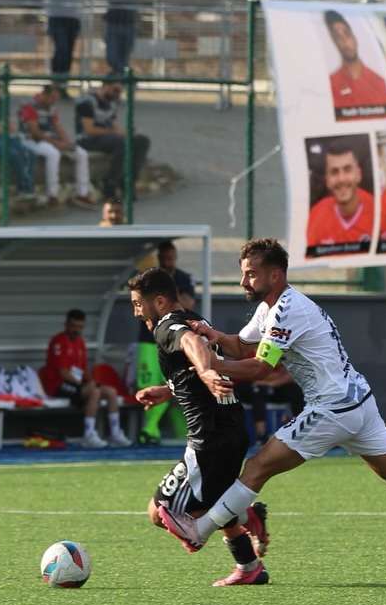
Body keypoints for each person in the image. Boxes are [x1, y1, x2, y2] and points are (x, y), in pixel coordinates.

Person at [156, 238, 386, 570]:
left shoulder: (287, 311)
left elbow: (261, 367)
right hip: (357, 400)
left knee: (258, 467)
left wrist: (210, 366)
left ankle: (199, 531)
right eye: (244, 273)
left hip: (333, 409)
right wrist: (216, 338)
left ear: (275, 275)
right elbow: (244, 347)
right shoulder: (270, 308)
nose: (244, 281)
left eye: (251, 274)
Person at [128, 267, 270, 586]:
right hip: (230, 428)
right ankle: (249, 567)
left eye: (138, 303)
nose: (136, 311)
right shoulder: (193, 316)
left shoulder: (168, 326)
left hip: (209, 439)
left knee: (159, 511)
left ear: (160, 301)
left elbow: (193, 345)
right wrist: (168, 391)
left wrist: (206, 372)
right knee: (213, 500)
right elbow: (192, 366)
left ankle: (247, 517)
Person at [39, 309, 132, 448]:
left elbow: (83, 370)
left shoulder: (80, 343)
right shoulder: (58, 342)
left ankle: (115, 433)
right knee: (94, 392)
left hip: (77, 385)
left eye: (80, 327)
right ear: (66, 325)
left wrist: (91, 381)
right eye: (73, 327)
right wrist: (85, 385)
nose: (76, 330)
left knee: (111, 392)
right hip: (58, 385)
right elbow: (63, 373)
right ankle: (88, 435)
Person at [134, 240, 192, 445]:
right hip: (148, 341)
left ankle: (152, 430)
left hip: (171, 339)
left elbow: (188, 304)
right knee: (149, 385)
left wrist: (170, 288)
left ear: (175, 257)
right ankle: (150, 430)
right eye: (164, 259)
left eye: (170, 258)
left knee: (173, 382)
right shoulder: (148, 279)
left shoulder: (183, 278)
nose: (167, 262)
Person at [19, 83, 96, 208]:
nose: (54, 102)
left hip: (49, 139)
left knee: (81, 153)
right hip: (31, 140)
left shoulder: (51, 107)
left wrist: (67, 142)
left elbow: (57, 126)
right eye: (52, 98)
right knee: (53, 154)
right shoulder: (29, 105)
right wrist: (57, 144)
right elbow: (35, 131)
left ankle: (82, 193)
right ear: (44, 94)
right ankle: (52, 194)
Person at [75, 78, 150, 201]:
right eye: (115, 90)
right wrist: (115, 132)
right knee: (121, 143)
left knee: (142, 141)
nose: (117, 93)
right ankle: (111, 183)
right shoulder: (87, 103)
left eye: (120, 91)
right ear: (104, 86)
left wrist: (125, 132)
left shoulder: (111, 102)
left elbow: (113, 125)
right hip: (88, 139)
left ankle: (129, 181)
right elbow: (89, 130)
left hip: (107, 137)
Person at [306, 140, 375, 252]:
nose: (341, 179)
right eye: (334, 172)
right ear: (327, 180)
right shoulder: (316, 215)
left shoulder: (378, 212)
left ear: (358, 174)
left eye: (347, 170)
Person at [324, 10, 386, 121]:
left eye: (346, 34)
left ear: (354, 38)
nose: (344, 41)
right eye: (338, 36)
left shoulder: (380, 83)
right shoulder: (331, 85)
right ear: (334, 41)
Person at [234, 366, 304, 445]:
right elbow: (253, 374)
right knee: (259, 391)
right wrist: (278, 375)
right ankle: (261, 434)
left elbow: (291, 375)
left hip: (271, 384)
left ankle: (302, 429)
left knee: (296, 390)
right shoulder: (249, 355)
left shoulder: (285, 357)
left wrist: (270, 382)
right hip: (247, 386)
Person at [44, 0, 81, 98]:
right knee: (61, 48)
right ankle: (56, 83)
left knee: (68, 52)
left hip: (73, 17)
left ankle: (63, 85)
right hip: (57, 16)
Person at [102, 0, 142, 75]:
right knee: (111, 57)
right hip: (113, 22)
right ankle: (122, 78)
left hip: (129, 22)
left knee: (124, 58)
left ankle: (120, 80)